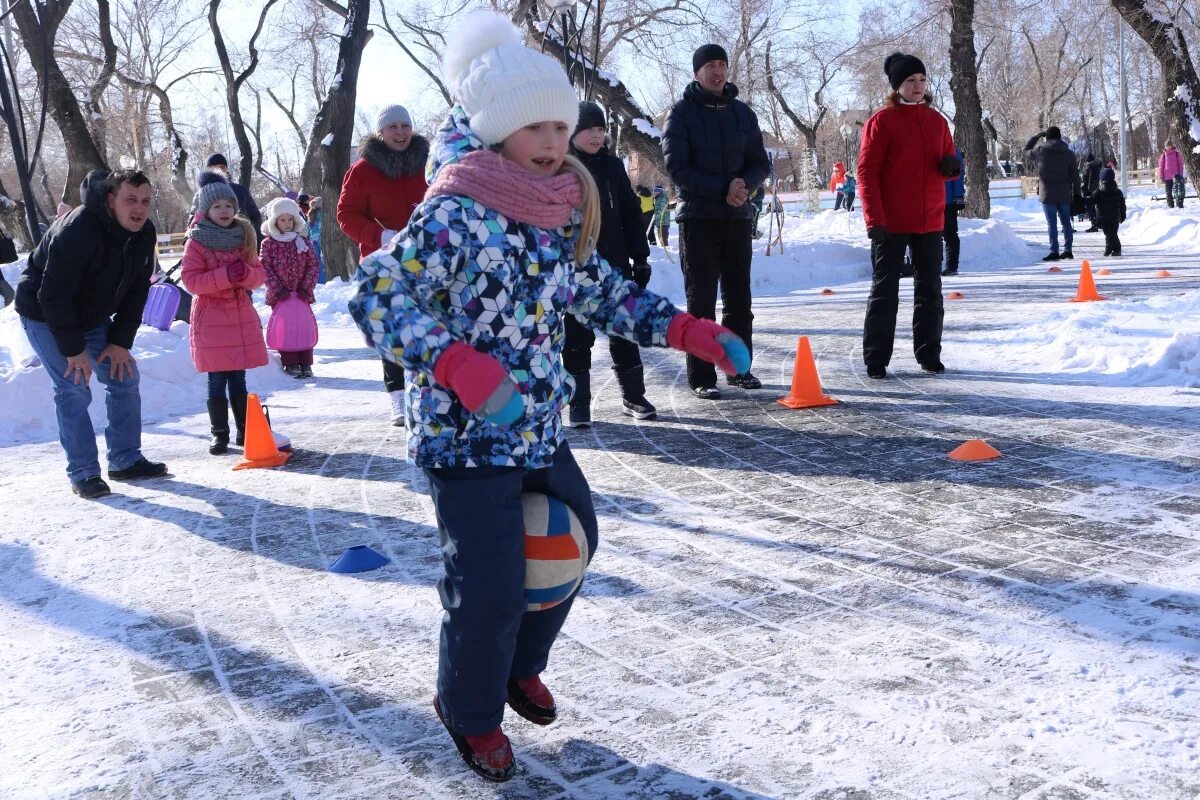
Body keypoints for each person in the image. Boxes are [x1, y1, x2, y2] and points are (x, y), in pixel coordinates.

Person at [348, 11, 749, 782]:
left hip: (535, 427)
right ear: (496, 129)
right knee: (491, 585)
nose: (551, 139)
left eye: (559, 124)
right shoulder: (454, 210)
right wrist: (458, 364)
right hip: (465, 440)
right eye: (533, 124)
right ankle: (468, 710)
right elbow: (376, 298)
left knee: (572, 545)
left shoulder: (552, 213)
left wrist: (687, 330)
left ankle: (516, 664)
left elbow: (600, 294)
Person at [15, 169, 168, 498]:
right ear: (111, 200)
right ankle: (83, 471)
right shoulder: (80, 228)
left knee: (124, 375)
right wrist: (73, 351)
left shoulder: (144, 233)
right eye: (130, 200)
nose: (139, 208)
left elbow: (137, 291)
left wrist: (119, 343)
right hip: (44, 313)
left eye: (145, 201)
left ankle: (125, 458)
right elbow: (52, 295)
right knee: (73, 385)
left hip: (90, 315)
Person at [663, 42, 771, 397]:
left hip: (737, 217)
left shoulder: (743, 113)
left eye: (722, 64)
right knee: (702, 300)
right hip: (698, 219)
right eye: (709, 65)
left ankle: (739, 368)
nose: (717, 70)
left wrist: (744, 186)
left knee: (740, 299)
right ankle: (702, 377)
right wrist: (723, 187)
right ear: (697, 72)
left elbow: (760, 162)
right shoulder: (680, 113)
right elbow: (677, 168)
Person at [858, 52, 958, 381]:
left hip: (929, 220)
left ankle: (929, 353)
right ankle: (876, 357)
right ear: (897, 86)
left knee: (930, 289)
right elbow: (867, 173)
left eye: (922, 80)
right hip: (891, 222)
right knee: (885, 290)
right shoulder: (882, 121)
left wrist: (951, 168)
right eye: (910, 81)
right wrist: (875, 220)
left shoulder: (937, 121)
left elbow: (946, 163)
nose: (918, 86)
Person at [563, 101, 658, 427]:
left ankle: (634, 396)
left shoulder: (613, 166)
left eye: (601, 129)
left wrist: (641, 257)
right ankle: (578, 403)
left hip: (615, 261)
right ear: (574, 131)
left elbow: (631, 214)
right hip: (576, 264)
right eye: (590, 129)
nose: (597, 135)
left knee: (624, 328)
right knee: (576, 334)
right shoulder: (562, 167)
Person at [337, 103, 430, 425]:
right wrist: (381, 235)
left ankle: (431, 392)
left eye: (405, 125)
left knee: (431, 327)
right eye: (393, 127)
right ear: (380, 133)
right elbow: (346, 215)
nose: (401, 132)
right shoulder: (362, 170)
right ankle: (397, 398)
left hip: (428, 260)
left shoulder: (429, 163)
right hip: (383, 260)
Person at [181, 170, 268, 456]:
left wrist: (244, 276)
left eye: (229, 205)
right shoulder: (196, 240)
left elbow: (258, 274)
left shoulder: (243, 235)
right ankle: (219, 433)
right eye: (217, 206)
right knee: (216, 379)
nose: (224, 210)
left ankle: (246, 430)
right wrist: (226, 275)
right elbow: (192, 281)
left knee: (239, 379)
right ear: (206, 210)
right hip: (211, 320)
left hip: (239, 317)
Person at [260, 197, 320, 378]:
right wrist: (277, 289)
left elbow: (313, 265)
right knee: (286, 329)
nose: (286, 224)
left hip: (301, 294)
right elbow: (264, 268)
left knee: (302, 326)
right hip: (281, 296)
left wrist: (306, 287)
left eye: (290, 219)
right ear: (274, 222)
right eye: (282, 220)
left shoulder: (302, 241)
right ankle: (290, 361)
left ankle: (306, 362)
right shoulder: (269, 244)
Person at [1024, 126, 1080, 261]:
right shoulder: (1068, 153)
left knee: (1052, 224)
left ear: (1047, 137)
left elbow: (1025, 152)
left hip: (1047, 194)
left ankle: (1054, 251)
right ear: (1060, 137)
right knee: (1066, 223)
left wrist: (1036, 137)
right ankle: (1068, 250)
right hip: (1064, 194)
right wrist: (1077, 193)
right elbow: (1075, 176)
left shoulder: (1040, 151)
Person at [192, 154, 263, 241]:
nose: (218, 170)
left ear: (226, 169)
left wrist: (252, 238)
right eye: (214, 167)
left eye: (222, 167)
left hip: (241, 241)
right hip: (211, 243)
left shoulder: (240, 191)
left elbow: (255, 217)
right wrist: (189, 239)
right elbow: (194, 220)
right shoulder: (201, 195)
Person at [1092, 166, 1127, 257]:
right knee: (1112, 233)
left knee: (1109, 233)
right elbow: (1122, 205)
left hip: (1103, 217)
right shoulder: (1118, 191)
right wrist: (1122, 215)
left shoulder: (1099, 192)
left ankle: (1116, 249)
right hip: (1115, 217)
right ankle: (1108, 248)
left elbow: (1091, 201)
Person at [941, 148, 965, 276]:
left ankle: (951, 266)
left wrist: (958, 196)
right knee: (933, 236)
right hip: (934, 199)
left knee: (949, 234)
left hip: (948, 200)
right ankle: (935, 266)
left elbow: (958, 176)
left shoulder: (952, 150)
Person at [1159, 142, 1185, 209]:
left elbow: (1180, 165)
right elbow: (1161, 166)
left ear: (1172, 146)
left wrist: (1180, 175)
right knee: (1168, 192)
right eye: (1167, 146)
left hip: (1176, 176)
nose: (1169, 147)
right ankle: (1171, 206)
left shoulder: (1176, 154)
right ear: (1165, 147)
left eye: (1170, 145)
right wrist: (1161, 177)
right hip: (1167, 177)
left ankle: (1179, 205)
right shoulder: (1163, 155)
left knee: (1178, 191)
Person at [1081, 153, 1102, 231]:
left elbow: (1090, 180)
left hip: (1090, 190)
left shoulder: (1090, 167)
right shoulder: (1097, 166)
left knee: (1090, 207)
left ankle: (1094, 224)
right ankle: (1097, 223)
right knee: (1096, 207)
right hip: (1096, 189)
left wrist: (1087, 191)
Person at [307, 196, 325, 284]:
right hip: (321, 237)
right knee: (323, 259)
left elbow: (307, 228)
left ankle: (318, 280)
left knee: (317, 261)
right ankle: (323, 279)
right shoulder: (322, 214)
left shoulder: (310, 214)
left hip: (312, 239)